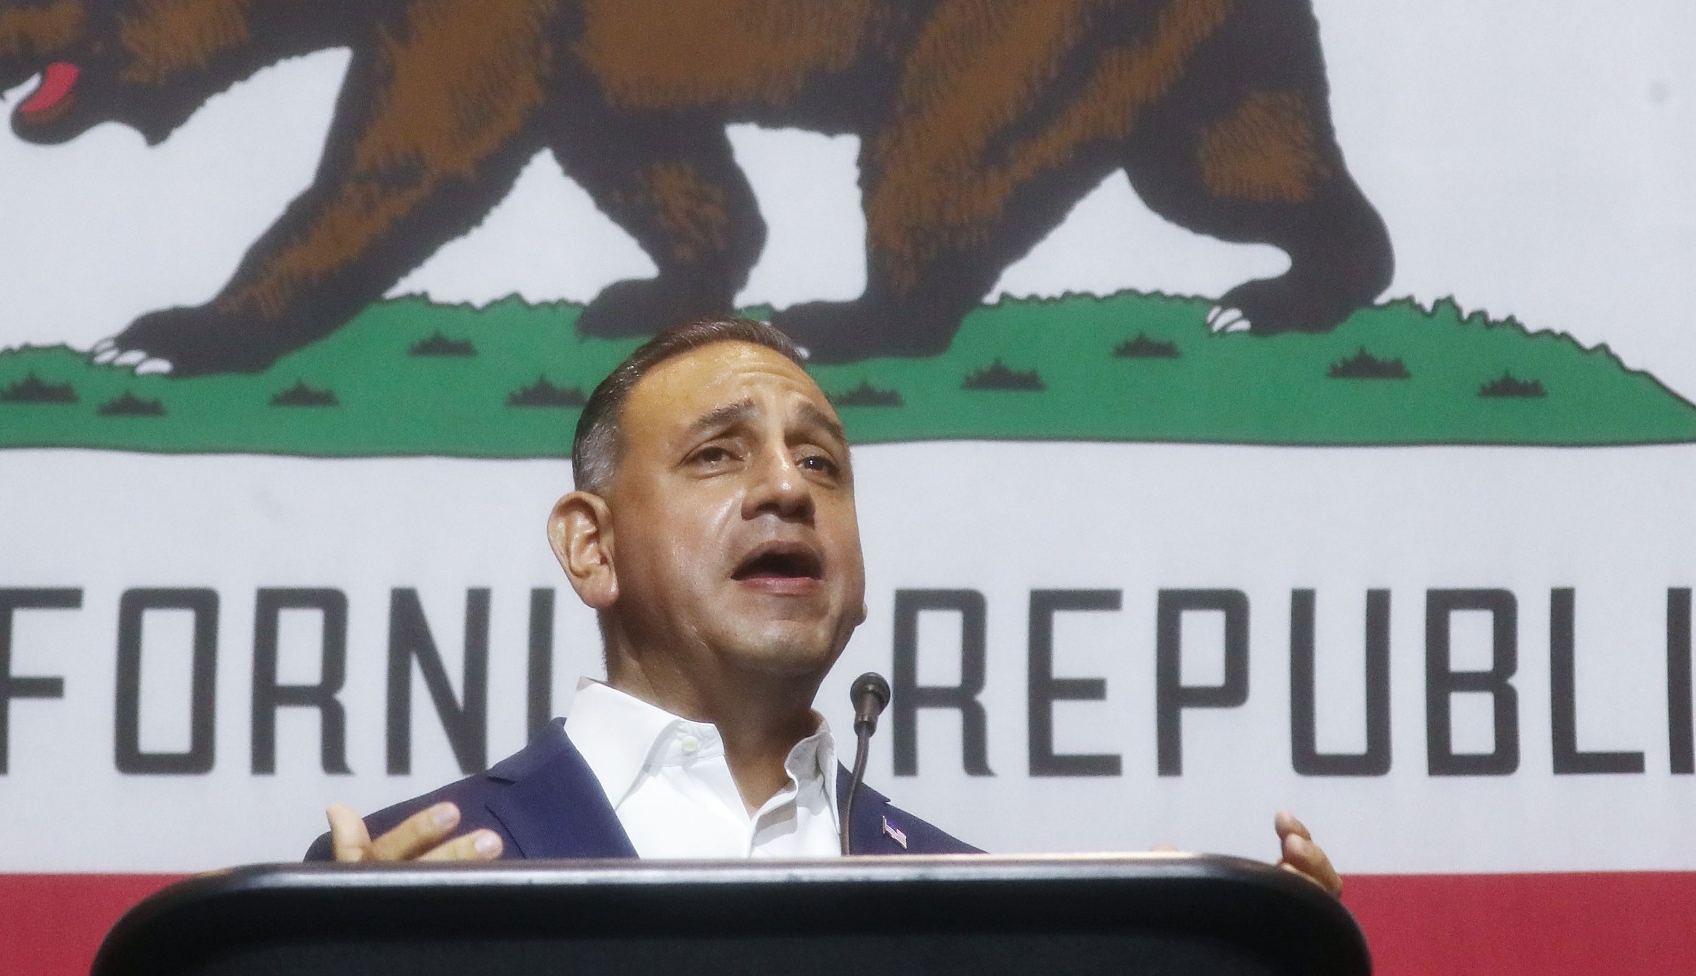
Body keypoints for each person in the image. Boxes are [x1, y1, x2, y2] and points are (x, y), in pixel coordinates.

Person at [306, 318, 1342, 896]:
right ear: (591, 543)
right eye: (717, 455)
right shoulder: (399, 883)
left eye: (821, 462)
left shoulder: (989, 909)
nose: (789, 489)